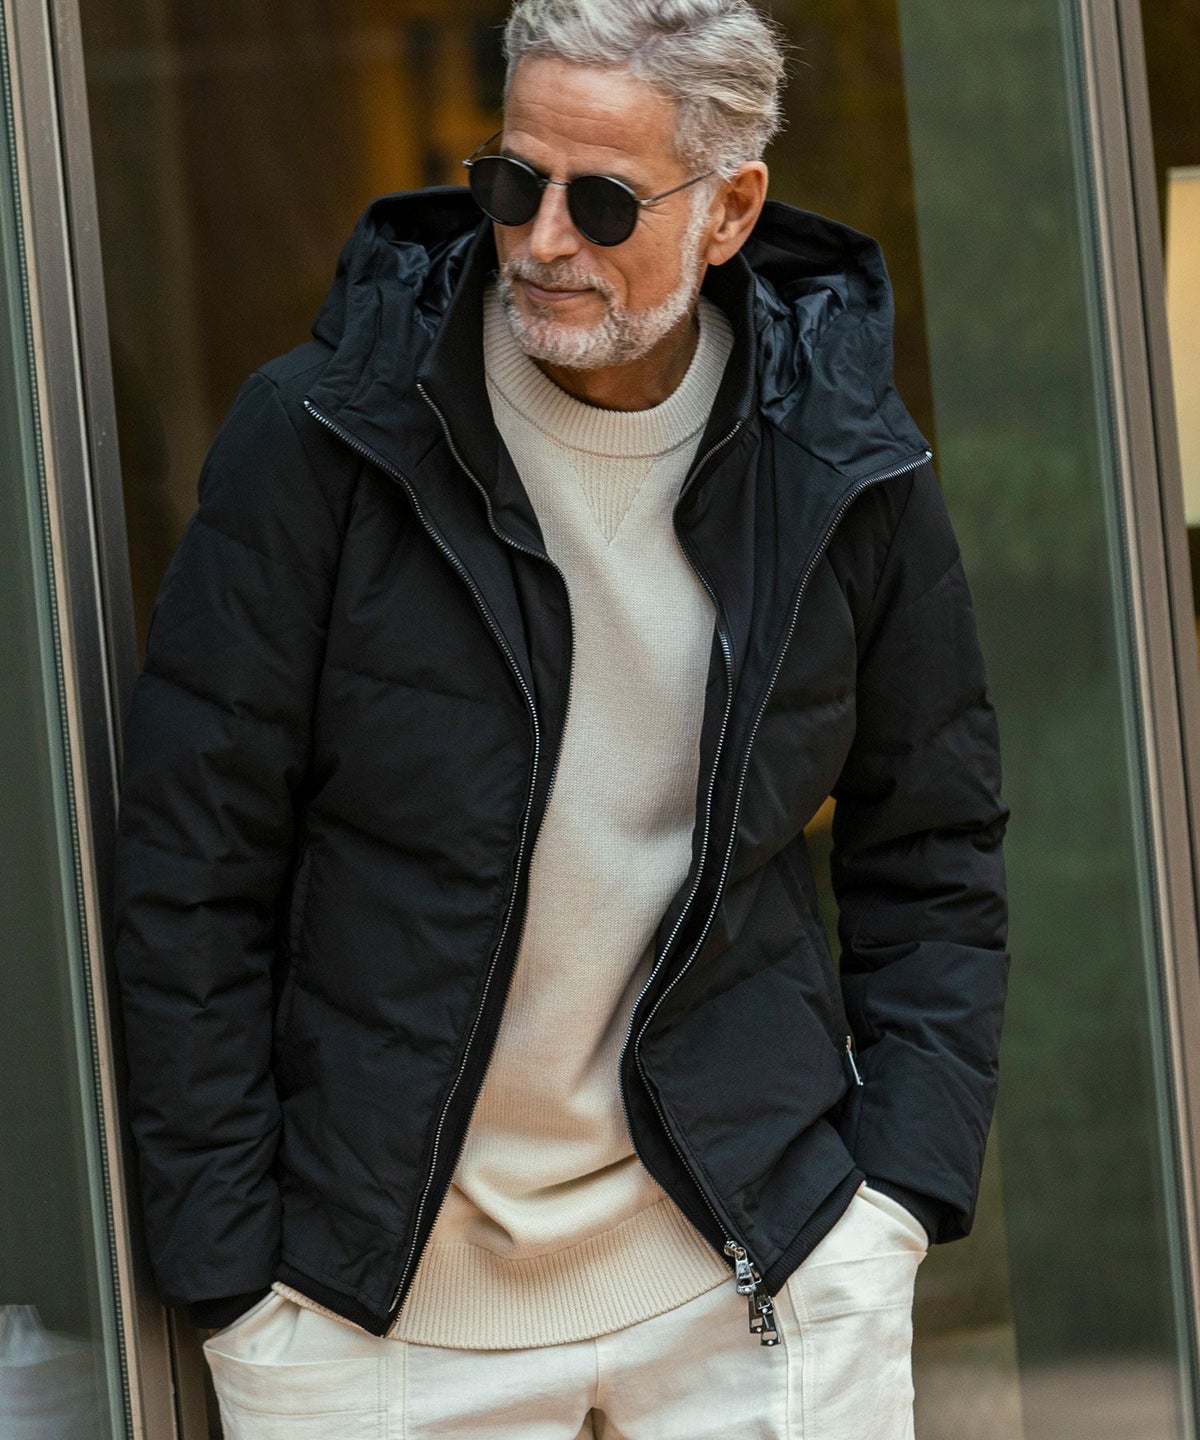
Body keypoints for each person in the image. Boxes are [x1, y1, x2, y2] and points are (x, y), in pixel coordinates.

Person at [113, 1, 1010, 1435]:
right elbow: (190, 869)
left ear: (730, 211)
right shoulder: (321, 439)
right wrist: (239, 1282)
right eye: (513, 181)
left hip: (758, 1278)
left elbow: (936, 844)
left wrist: (891, 1201)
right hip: (377, 1324)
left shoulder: (843, 461)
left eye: (601, 202)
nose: (540, 240)